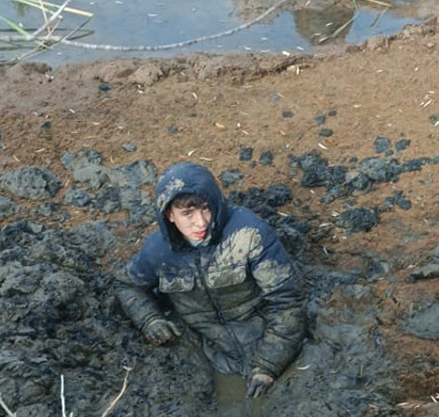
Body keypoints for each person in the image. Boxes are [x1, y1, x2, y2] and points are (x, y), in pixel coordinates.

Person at [117, 161, 307, 399]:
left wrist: (268, 364)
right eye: (187, 213)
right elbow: (127, 285)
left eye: (206, 208)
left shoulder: (248, 234)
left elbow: (288, 302)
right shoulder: (158, 252)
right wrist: (150, 320)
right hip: (208, 354)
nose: (201, 222)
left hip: (266, 337)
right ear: (170, 215)